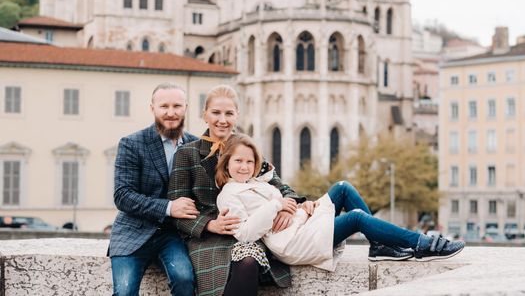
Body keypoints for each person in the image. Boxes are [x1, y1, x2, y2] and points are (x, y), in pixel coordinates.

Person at [216, 134, 465, 268]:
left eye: (249, 161)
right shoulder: (228, 194)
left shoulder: (257, 183)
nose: (244, 166)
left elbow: (282, 206)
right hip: (292, 243)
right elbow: (246, 234)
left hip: (301, 226)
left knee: (342, 188)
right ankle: (424, 244)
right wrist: (276, 206)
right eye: (238, 161)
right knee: (356, 218)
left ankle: (379, 247)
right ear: (226, 163)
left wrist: (303, 206)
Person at [167, 85, 306, 296]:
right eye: (216, 113)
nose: (222, 119)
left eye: (229, 113)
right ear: (204, 115)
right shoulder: (187, 153)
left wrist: (287, 207)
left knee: (248, 262)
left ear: (237, 116)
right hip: (206, 239)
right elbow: (177, 213)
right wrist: (210, 224)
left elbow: (282, 187)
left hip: (249, 232)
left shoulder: (247, 149)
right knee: (237, 265)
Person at [109, 83, 199, 296]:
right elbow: (123, 196)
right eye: (164, 106)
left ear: (186, 108)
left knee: (185, 281)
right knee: (124, 292)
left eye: (177, 106)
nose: (170, 112)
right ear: (152, 109)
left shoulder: (196, 145)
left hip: (172, 235)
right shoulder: (131, 143)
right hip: (132, 232)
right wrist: (169, 207)